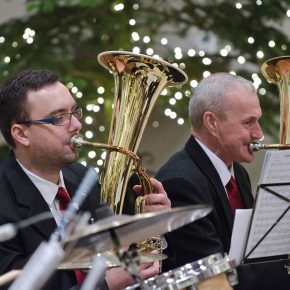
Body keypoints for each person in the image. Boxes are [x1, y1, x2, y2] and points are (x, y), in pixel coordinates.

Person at [0, 69, 171, 290]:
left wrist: (151, 227)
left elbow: (117, 255)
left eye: (74, 112)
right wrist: (105, 285)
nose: (77, 125)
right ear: (21, 134)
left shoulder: (80, 177)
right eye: (59, 117)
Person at [156, 73, 290, 289]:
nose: (259, 133)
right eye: (248, 122)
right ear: (211, 122)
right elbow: (216, 279)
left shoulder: (237, 171)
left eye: (258, 121)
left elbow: (252, 254)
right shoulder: (180, 183)